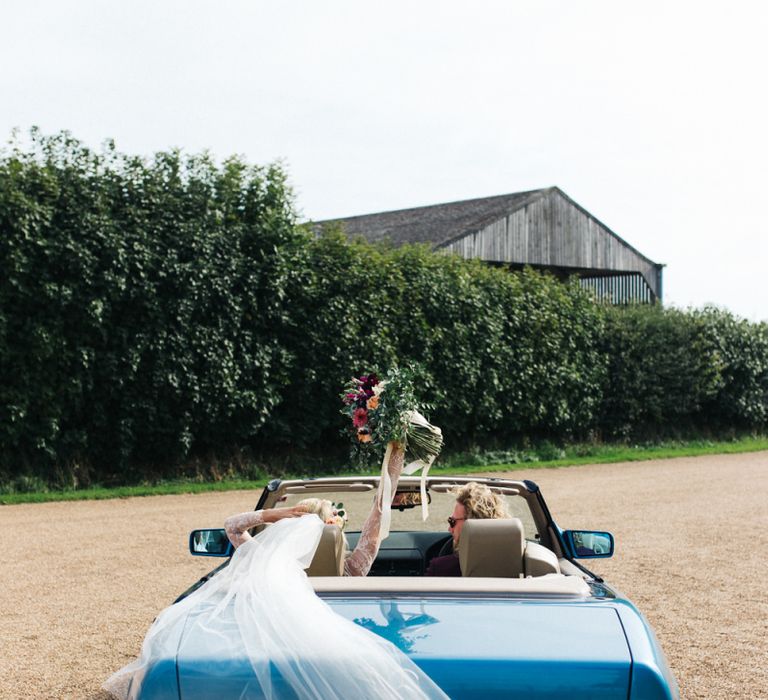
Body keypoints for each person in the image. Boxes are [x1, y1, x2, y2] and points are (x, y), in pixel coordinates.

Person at [224, 444, 405, 576]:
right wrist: (398, 446)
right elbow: (381, 508)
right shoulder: (352, 571)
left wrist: (278, 514)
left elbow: (232, 526)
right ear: (333, 529)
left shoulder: (269, 565)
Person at [425, 481, 510, 576]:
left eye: (452, 521)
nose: (449, 529)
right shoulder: (519, 562)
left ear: (470, 524)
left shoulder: (441, 568)